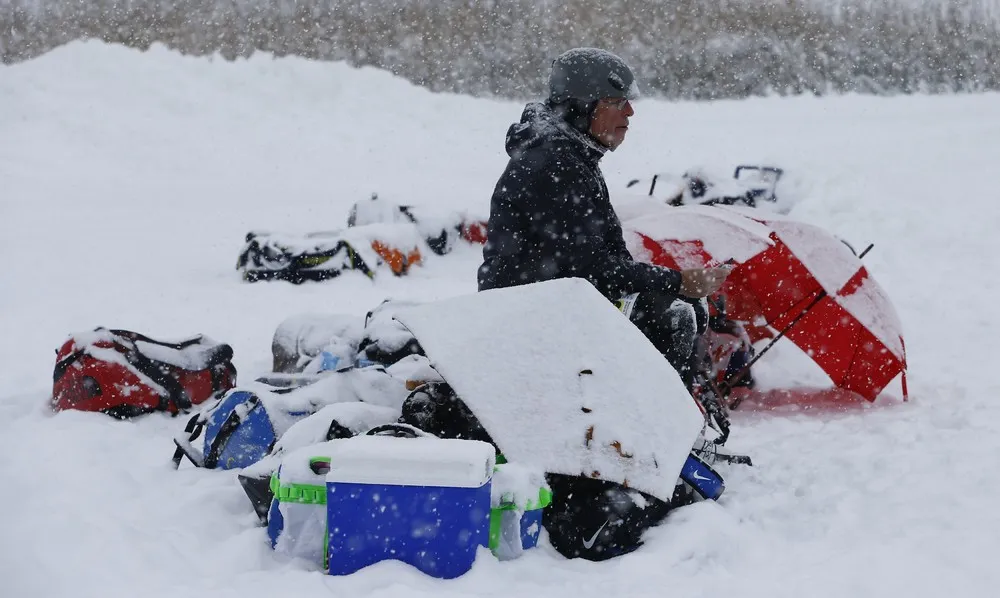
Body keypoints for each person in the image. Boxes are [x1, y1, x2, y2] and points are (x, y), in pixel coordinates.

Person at [476, 47, 731, 388]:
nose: (630, 111)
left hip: (557, 303)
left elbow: (599, 260)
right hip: (530, 314)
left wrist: (675, 285)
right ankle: (645, 432)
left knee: (681, 308)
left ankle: (648, 427)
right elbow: (590, 267)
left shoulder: (572, 154)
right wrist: (678, 281)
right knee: (672, 317)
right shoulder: (555, 162)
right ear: (582, 107)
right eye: (615, 101)